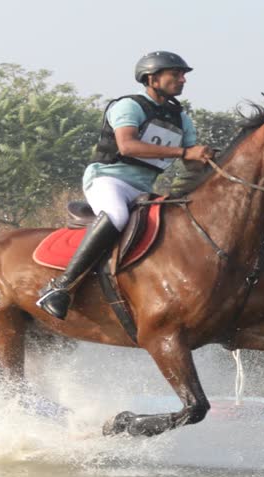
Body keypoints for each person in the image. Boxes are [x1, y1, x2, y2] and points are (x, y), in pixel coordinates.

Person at [37, 51, 214, 320]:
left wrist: (211, 159)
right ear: (152, 78)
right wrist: (184, 153)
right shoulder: (130, 106)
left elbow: (192, 163)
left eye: (183, 76)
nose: (182, 80)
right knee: (117, 216)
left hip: (145, 188)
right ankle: (61, 287)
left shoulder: (182, 119)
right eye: (176, 74)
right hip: (108, 180)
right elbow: (127, 146)